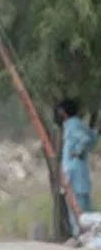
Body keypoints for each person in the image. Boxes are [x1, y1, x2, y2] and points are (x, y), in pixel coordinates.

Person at [57, 99, 98, 238]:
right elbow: (92, 137)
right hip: (81, 172)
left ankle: (80, 238)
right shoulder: (80, 124)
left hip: (73, 173)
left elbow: (85, 139)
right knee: (86, 209)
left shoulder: (71, 125)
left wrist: (78, 151)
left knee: (76, 210)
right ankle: (89, 237)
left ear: (63, 112)